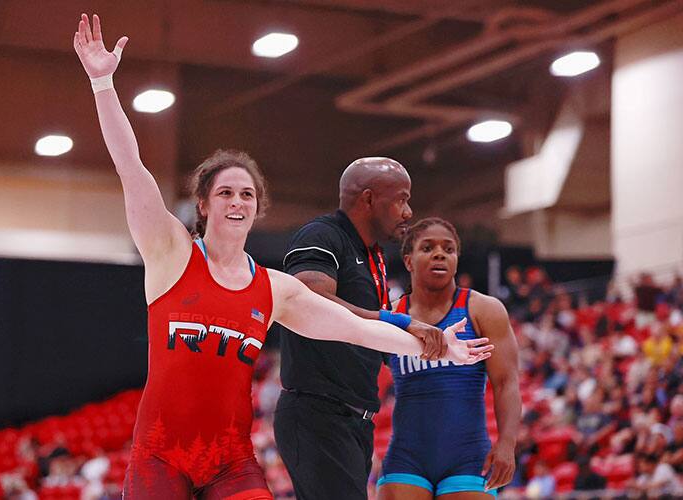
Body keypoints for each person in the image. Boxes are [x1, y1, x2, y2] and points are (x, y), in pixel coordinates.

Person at [73, 14, 493, 499]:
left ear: (257, 207)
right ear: (204, 204)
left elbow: (355, 328)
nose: (237, 202)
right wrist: (103, 81)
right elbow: (131, 165)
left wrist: (434, 346)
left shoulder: (273, 288)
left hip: (230, 462)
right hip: (160, 457)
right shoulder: (170, 253)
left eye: (247, 195)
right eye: (226, 193)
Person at [274, 157, 448, 500]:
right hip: (317, 414)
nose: (408, 211)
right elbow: (312, 302)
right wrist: (398, 321)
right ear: (368, 200)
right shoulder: (322, 235)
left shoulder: (374, 255)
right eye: (401, 199)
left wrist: (441, 356)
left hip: (354, 418)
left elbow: (372, 335)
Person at [377, 217, 521, 499]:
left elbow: (506, 382)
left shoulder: (484, 310)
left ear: (456, 259)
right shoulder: (391, 315)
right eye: (428, 248)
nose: (439, 254)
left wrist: (507, 444)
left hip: (468, 456)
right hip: (406, 456)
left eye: (449, 249)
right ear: (408, 261)